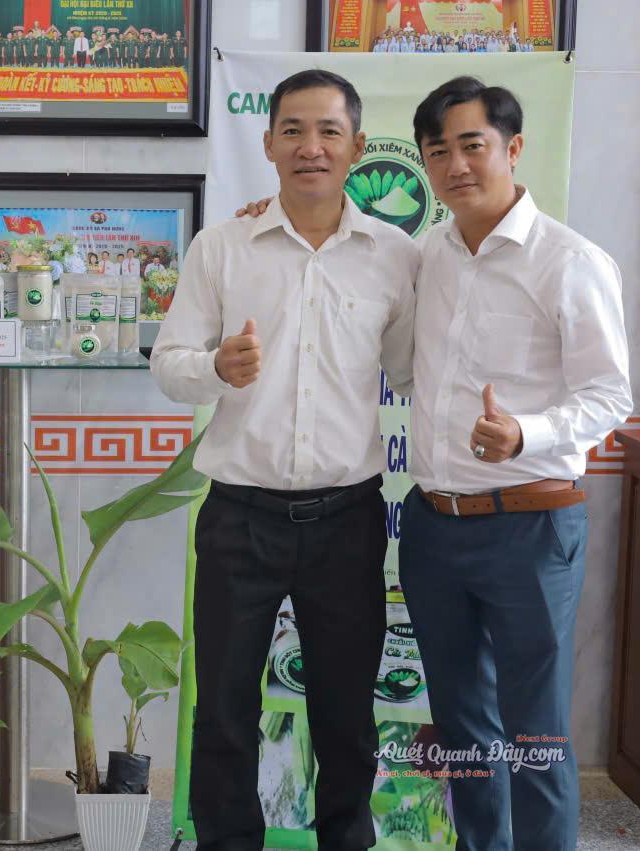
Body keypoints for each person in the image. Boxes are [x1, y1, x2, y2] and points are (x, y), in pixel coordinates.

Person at [151, 69, 418, 851]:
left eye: (329, 131)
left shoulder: (394, 255)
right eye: (293, 130)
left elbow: (414, 373)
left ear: (357, 147)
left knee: (346, 710)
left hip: (348, 517)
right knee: (224, 708)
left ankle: (347, 841)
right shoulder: (222, 247)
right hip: (240, 516)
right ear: (268, 144)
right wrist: (215, 368)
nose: (311, 147)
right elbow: (169, 364)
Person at [398, 76, 632, 851]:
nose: (456, 165)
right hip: (433, 526)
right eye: (439, 151)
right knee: (463, 726)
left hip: (530, 524)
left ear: (513, 147)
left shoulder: (569, 260)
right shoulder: (427, 255)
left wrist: (525, 433)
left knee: (535, 732)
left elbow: (610, 394)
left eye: (473, 145)